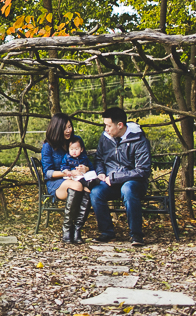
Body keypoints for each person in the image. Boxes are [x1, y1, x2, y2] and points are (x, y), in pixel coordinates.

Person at [90, 106, 152, 247]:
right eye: (105, 125)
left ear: (120, 125)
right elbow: (99, 158)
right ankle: (107, 232)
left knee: (127, 189)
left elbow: (142, 170)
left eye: (108, 126)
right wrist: (100, 172)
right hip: (110, 182)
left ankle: (136, 235)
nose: (106, 129)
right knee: (96, 192)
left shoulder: (138, 139)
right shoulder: (106, 138)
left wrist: (115, 177)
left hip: (134, 183)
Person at [40, 113, 92, 244]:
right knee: (78, 186)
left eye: (70, 127)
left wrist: (84, 169)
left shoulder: (76, 141)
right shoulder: (48, 146)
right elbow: (48, 173)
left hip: (77, 179)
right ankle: (67, 229)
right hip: (56, 183)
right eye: (65, 128)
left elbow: (88, 163)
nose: (69, 130)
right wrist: (67, 173)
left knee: (87, 189)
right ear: (57, 128)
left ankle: (77, 230)